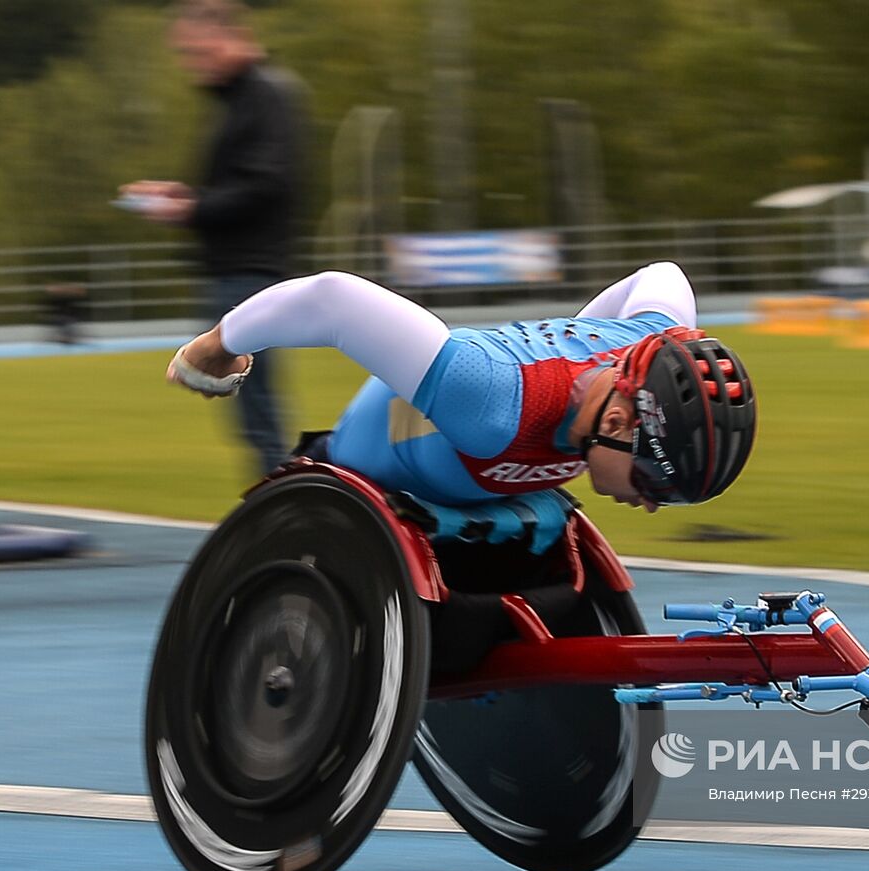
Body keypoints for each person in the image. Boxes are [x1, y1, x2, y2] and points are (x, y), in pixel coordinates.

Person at [166, 262, 757, 511]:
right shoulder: (492, 402)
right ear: (614, 424)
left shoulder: (654, 343)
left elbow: (662, 276)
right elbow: (332, 300)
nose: (652, 504)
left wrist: (585, 330)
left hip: (476, 461)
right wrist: (215, 350)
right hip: (368, 468)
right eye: (656, 483)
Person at [121, 0, 306, 476]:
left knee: (258, 416)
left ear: (228, 36)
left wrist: (192, 208)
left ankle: (290, 515)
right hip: (236, 273)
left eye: (197, 52)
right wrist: (187, 198)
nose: (192, 64)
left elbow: (267, 185)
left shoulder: (266, 95)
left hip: (249, 276)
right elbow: (247, 182)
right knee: (253, 415)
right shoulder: (241, 101)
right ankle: (285, 509)